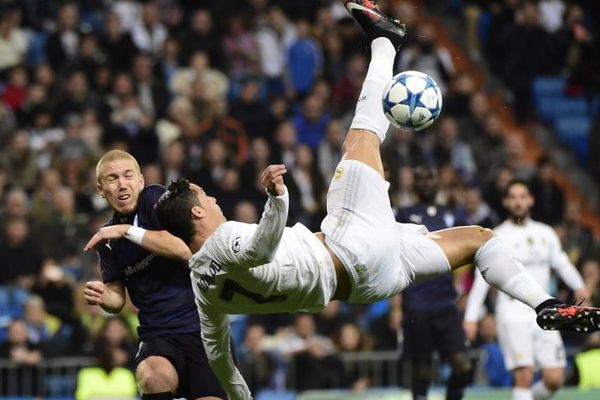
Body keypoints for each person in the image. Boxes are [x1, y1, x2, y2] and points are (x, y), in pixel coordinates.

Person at [154, 2, 600, 399]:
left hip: (371, 284)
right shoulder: (224, 238)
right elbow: (260, 248)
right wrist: (278, 199)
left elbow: (221, 362)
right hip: (349, 245)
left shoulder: (203, 291)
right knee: (361, 136)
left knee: (481, 239)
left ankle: (544, 306)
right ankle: (386, 41)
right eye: (207, 198)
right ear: (197, 213)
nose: (214, 201)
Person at [82, 149, 226, 400]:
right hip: (157, 333)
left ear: (140, 181)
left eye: (128, 175)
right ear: (100, 189)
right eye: (112, 178)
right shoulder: (107, 239)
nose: (121, 184)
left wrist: (127, 230)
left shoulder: (155, 199)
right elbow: (117, 300)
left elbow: (182, 249)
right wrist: (104, 296)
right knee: (153, 376)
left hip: (203, 328)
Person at [463, 179, 590, 400]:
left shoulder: (545, 233)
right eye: (513, 197)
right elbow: (481, 279)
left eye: (522, 196)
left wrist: (579, 286)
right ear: (505, 202)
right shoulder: (496, 237)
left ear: (531, 200)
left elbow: (560, 262)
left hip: (547, 312)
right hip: (512, 314)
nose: (518, 202)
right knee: (524, 375)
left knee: (554, 378)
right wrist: (471, 317)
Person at [396, 166, 471, 400]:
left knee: (462, 363)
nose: (426, 182)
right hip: (416, 301)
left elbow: (469, 251)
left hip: (445, 301)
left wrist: (462, 289)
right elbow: (394, 255)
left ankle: (453, 396)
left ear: (439, 183)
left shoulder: (453, 214)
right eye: (421, 178)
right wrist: (396, 305)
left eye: (431, 177)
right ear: (413, 184)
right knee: (422, 367)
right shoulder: (403, 215)